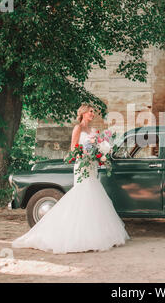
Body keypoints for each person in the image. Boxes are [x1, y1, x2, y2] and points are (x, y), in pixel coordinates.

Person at [12, 104, 130, 254]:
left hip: (92, 166)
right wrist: (87, 154)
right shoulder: (78, 129)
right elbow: (74, 149)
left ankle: (92, 235)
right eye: (91, 112)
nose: (93, 114)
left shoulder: (93, 131)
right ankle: (75, 235)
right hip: (82, 166)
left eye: (93, 112)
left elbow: (96, 147)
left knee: (94, 196)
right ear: (83, 113)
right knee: (83, 194)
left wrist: (98, 153)